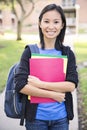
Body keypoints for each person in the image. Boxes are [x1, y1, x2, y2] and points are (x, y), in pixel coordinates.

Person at [15, 4, 78, 130]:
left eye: (56, 22)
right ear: (39, 23)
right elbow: (20, 85)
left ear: (62, 25)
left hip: (61, 119)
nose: (51, 26)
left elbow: (71, 85)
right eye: (46, 21)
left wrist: (40, 84)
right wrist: (54, 95)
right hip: (36, 120)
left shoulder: (67, 53)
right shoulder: (30, 52)